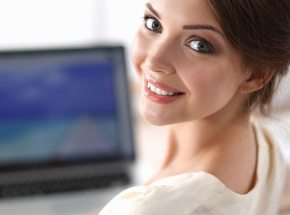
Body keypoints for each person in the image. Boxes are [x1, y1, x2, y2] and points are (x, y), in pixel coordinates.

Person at [98, 0, 290, 214]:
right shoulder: (265, 146)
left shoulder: (149, 209)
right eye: (153, 24)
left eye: (199, 45)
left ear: (255, 75)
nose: (154, 61)